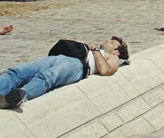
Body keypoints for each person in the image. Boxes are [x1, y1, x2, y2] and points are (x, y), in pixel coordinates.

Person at [0, 36, 129, 109]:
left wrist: (95, 50)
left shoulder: (113, 57)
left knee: (47, 77)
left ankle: (17, 97)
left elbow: (105, 70)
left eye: (112, 42)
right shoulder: (94, 48)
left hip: (79, 65)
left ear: (116, 51)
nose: (107, 41)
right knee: (17, 72)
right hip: (61, 57)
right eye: (108, 39)